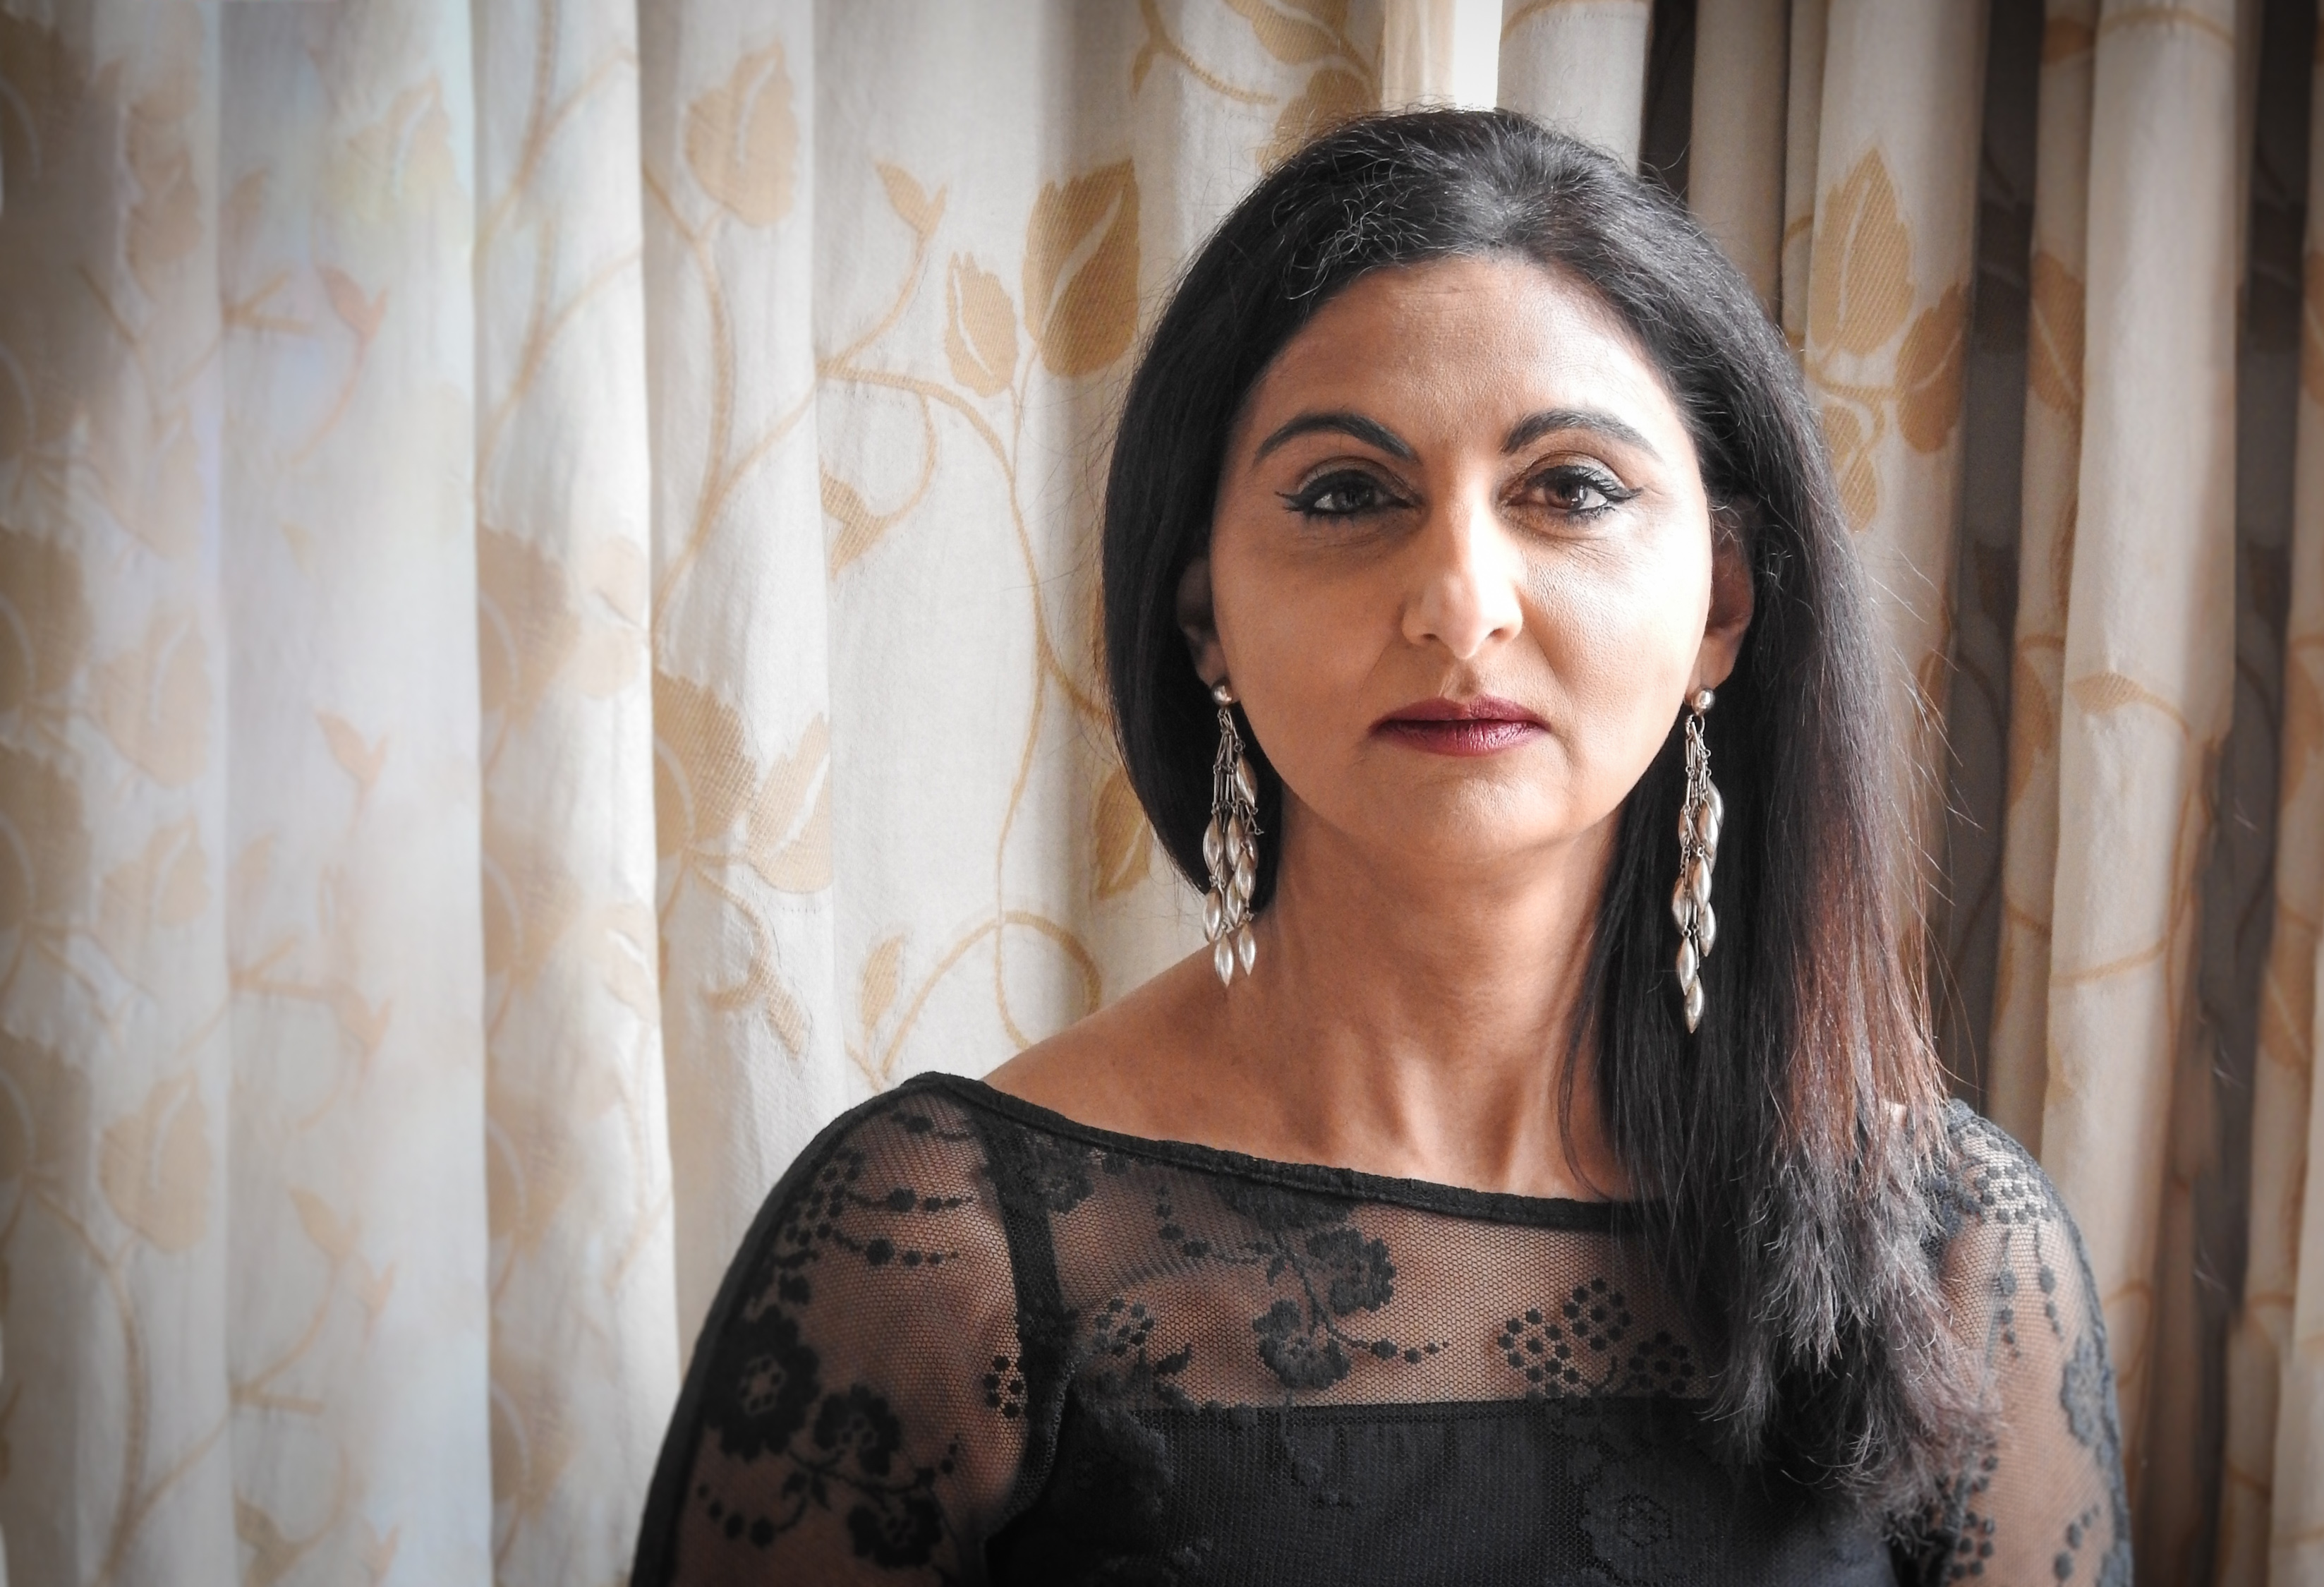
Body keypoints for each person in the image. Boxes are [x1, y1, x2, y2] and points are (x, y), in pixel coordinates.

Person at [631, 108, 2126, 1586]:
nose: (1458, 604)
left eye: (1571, 491)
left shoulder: (1951, 1255)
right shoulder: (941, 1263)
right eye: (1348, 494)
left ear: (1719, 607)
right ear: (1202, 609)